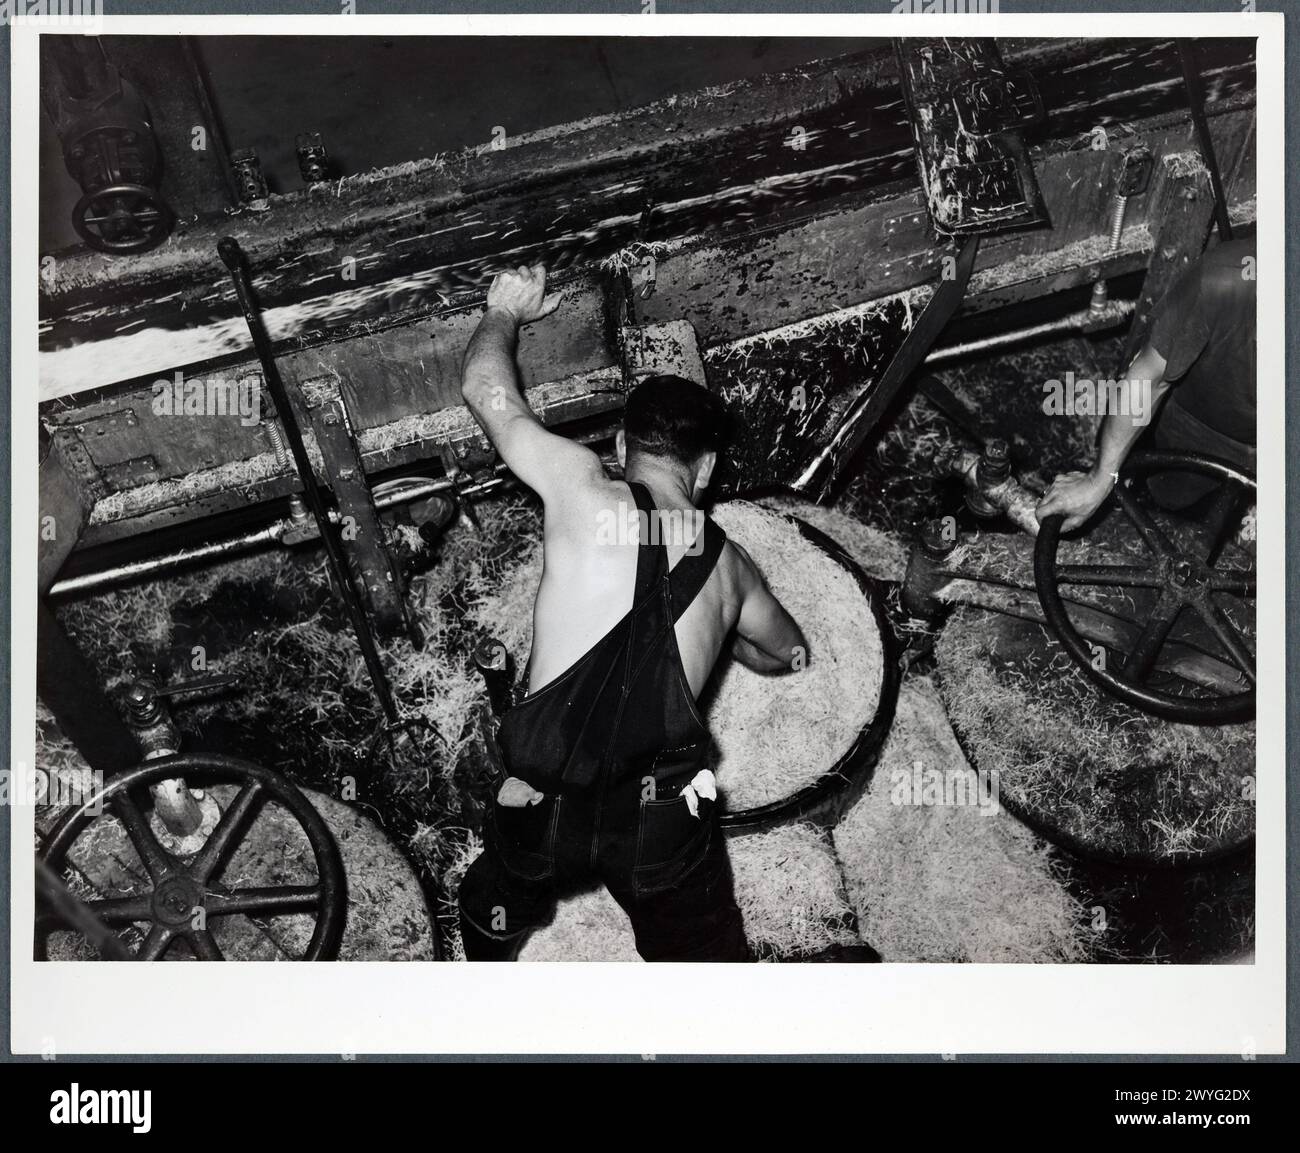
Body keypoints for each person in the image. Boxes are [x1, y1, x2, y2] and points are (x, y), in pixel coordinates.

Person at [455, 264, 806, 961]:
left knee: (491, 908)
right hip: (661, 821)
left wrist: (505, 311)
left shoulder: (581, 490)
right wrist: (726, 632)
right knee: (705, 967)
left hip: (541, 802)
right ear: (705, 469)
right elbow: (787, 652)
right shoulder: (730, 567)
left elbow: (483, 389)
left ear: (621, 448)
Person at [1036, 237, 1256, 530]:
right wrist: (1100, 479)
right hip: (1202, 430)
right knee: (1170, 502)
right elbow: (1149, 379)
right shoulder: (1223, 279)